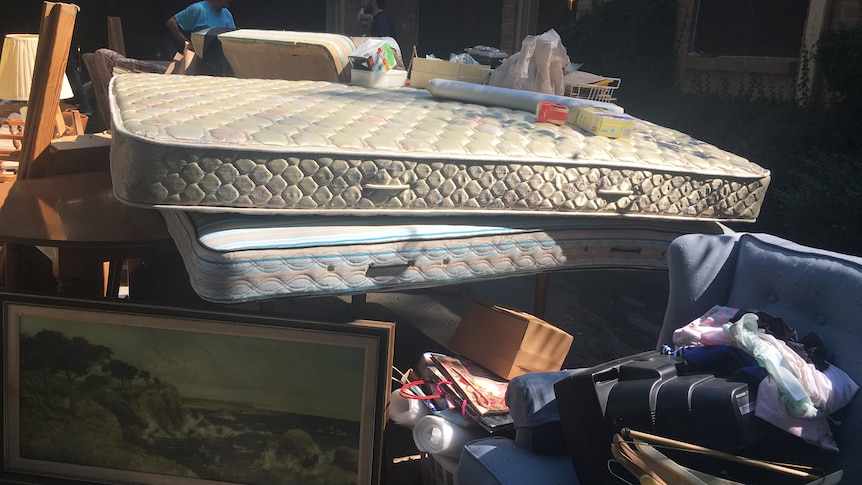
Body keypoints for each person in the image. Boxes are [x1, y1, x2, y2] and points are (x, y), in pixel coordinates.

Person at [166, 0, 235, 50]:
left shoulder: (227, 13)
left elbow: (233, 36)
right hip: (200, 59)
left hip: (221, 59)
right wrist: (187, 44)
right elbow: (171, 23)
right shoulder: (198, 9)